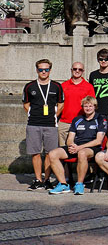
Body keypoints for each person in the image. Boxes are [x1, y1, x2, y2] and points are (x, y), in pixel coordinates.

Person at [46, 96, 107, 195]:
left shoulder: (100, 119)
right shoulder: (77, 119)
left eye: (90, 106)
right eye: (85, 106)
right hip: (76, 146)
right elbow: (70, 138)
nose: (88, 108)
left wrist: (79, 148)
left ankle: (79, 184)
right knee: (53, 154)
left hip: (92, 148)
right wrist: (71, 146)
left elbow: (98, 141)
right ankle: (63, 184)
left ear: (95, 107)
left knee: (82, 153)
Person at [24, 60, 64, 190]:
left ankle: (47, 180)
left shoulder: (56, 86)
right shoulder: (29, 86)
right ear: (37, 70)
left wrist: (54, 116)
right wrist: (33, 114)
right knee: (35, 153)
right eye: (41, 69)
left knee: (49, 153)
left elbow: (61, 103)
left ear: (50, 70)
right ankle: (38, 180)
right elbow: (26, 104)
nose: (43, 72)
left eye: (46, 69)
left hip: (51, 124)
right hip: (33, 123)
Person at [58, 62, 96, 146]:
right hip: (65, 122)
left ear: (83, 71)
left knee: (78, 149)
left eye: (80, 69)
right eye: (75, 69)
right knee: (62, 149)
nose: (77, 71)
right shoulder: (63, 85)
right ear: (71, 70)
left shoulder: (88, 87)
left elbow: (92, 105)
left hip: (81, 122)